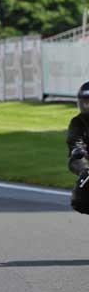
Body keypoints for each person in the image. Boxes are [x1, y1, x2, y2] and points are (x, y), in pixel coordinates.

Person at [67, 80, 89, 213]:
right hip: (87, 161)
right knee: (79, 202)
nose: (87, 106)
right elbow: (74, 141)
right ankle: (85, 174)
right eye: (85, 102)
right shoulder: (77, 122)